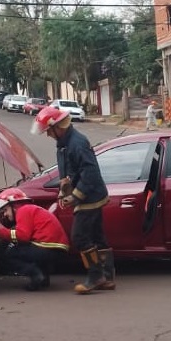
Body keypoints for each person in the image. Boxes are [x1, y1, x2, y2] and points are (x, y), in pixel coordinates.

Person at [31, 107, 115, 294]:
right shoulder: (64, 143)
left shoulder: (77, 143)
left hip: (90, 198)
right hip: (89, 195)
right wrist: (63, 192)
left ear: (56, 127)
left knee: (80, 237)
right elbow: (67, 173)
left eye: (48, 132)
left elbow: (90, 174)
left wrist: (75, 196)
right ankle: (108, 278)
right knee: (98, 237)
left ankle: (96, 277)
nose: (47, 136)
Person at [0, 188, 70, 291]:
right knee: (27, 248)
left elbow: (23, 236)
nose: (5, 214)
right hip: (57, 249)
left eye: (6, 210)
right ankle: (43, 279)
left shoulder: (23, 210)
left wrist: (1, 231)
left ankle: (35, 275)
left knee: (10, 254)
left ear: (14, 206)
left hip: (48, 248)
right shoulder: (29, 209)